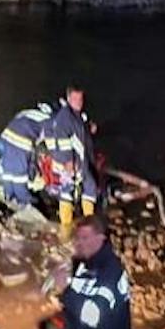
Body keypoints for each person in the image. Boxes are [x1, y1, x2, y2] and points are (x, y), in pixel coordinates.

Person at [47, 84, 99, 234]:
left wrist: (89, 127)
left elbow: (79, 132)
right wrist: (67, 162)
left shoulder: (77, 115)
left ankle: (89, 223)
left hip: (81, 162)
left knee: (90, 187)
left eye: (81, 98)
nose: (79, 102)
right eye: (76, 98)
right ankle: (66, 229)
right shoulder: (64, 118)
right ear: (69, 98)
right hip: (68, 164)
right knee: (67, 193)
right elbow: (62, 140)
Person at [0, 101, 55, 208]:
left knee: (8, 170)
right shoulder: (49, 120)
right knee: (20, 174)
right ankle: (24, 200)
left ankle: (8, 195)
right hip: (22, 141)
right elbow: (49, 141)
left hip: (6, 137)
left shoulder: (27, 113)